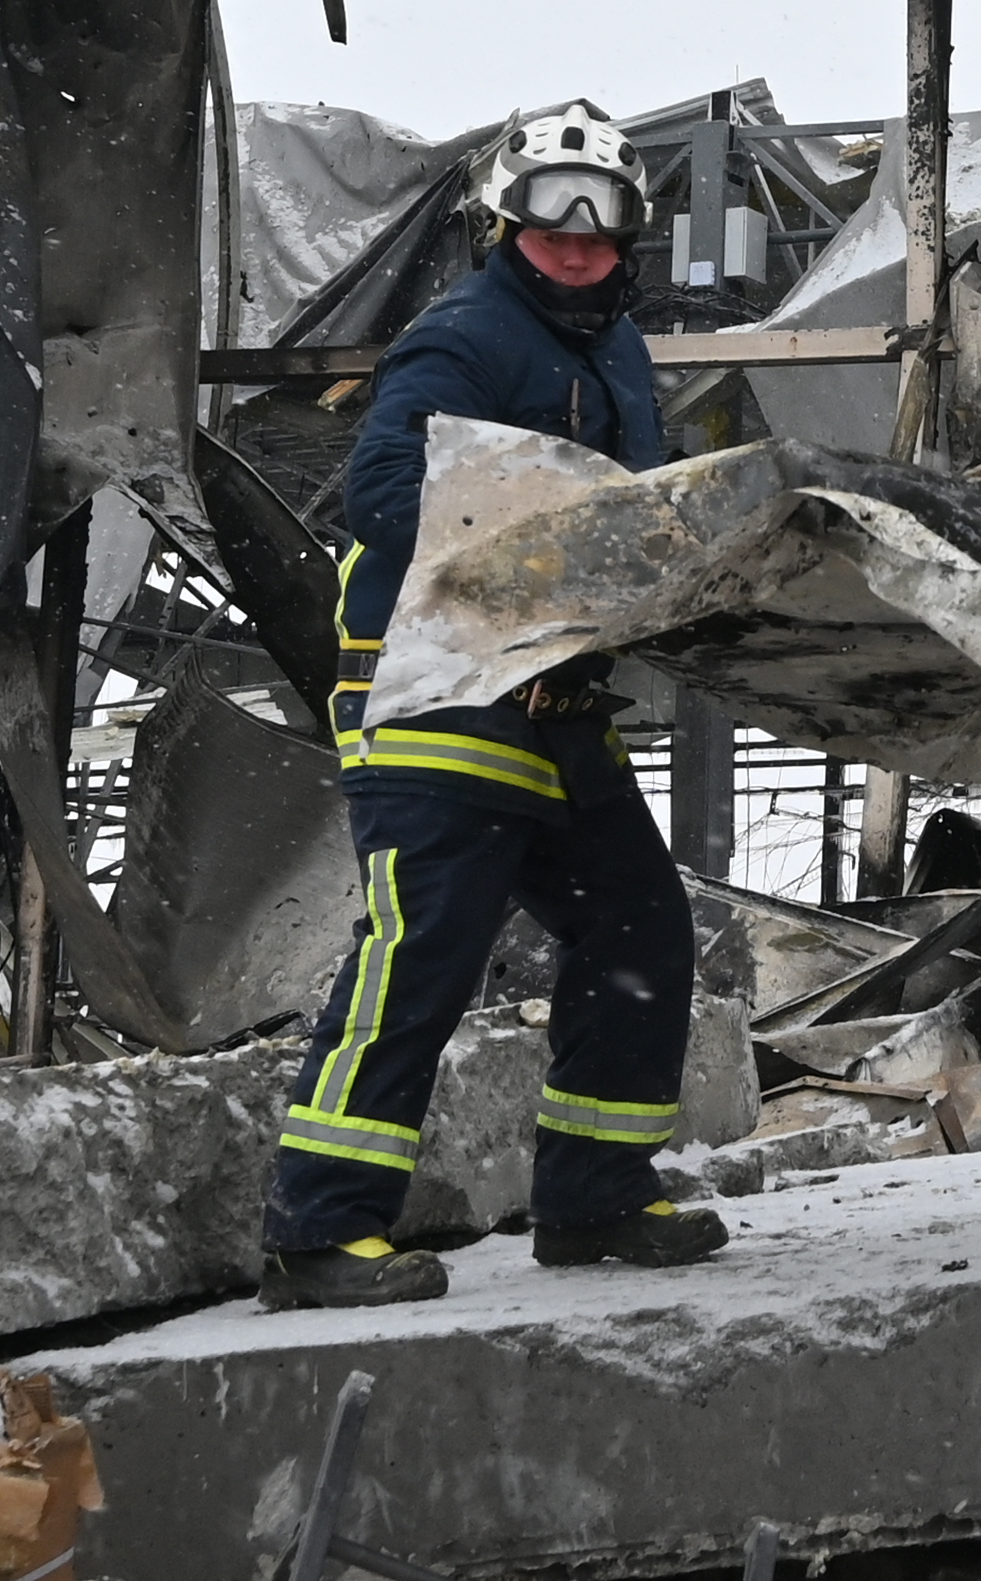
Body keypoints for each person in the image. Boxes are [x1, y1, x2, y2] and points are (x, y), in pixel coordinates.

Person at [258, 100, 731, 1307]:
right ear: (505, 226)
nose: (574, 244)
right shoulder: (464, 336)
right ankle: (320, 1232)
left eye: (598, 226)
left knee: (638, 924)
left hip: (555, 695)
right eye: (550, 224)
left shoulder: (617, 354)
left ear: (627, 236)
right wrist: (552, 546)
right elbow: (382, 495)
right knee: (428, 942)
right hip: (438, 684)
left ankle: (594, 1197)